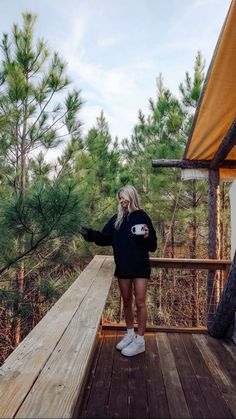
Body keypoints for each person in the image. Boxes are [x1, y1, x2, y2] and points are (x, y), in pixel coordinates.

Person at [80, 185, 157, 357]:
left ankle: (140, 340)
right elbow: (103, 238)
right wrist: (89, 234)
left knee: (141, 302)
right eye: (120, 198)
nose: (122, 201)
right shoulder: (117, 220)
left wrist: (146, 235)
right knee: (127, 301)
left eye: (124, 197)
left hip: (140, 267)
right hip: (123, 266)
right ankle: (130, 334)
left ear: (132, 197)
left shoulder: (143, 217)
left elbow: (153, 246)